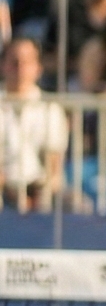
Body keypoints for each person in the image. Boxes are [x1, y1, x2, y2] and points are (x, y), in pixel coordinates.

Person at [0, 37, 67, 210]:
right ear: (3, 65)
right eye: (14, 61)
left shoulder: (50, 109)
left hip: (40, 190)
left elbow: (54, 164)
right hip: (3, 190)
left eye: (27, 61)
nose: (20, 68)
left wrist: (40, 193)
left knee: (79, 206)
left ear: (38, 68)